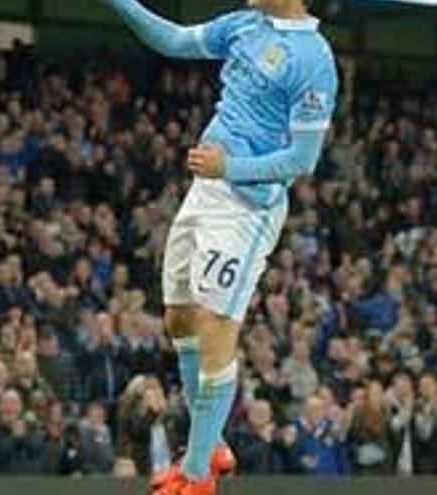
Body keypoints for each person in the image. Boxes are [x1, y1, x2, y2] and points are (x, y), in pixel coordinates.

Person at [101, 0, 339, 494]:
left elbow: (303, 158)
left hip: (246, 208)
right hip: (204, 190)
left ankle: (196, 477)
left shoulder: (314, 59)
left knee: (214, 327)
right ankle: (211, 447)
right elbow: (173, 40)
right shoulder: (243, 24)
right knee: (180, 319)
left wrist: (228, 168)